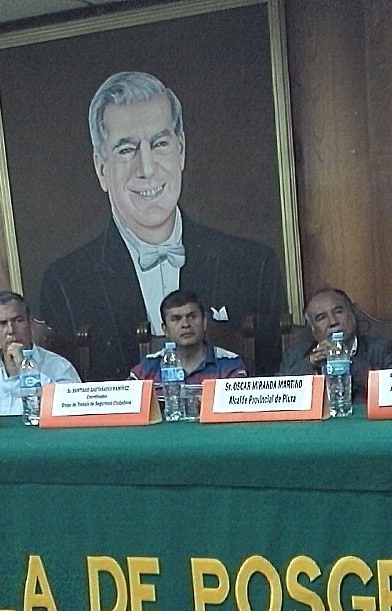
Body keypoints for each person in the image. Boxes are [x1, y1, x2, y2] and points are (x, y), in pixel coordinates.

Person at [40, 71, 285, 381]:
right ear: (101, 169)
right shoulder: (65, 282)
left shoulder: (254, 265)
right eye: (126, 150)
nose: (147, 168)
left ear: (181, 151)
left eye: (159, 144)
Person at [0, 291, 80, 415]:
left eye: (18, 321)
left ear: (30, 325)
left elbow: (74, 408)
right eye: (2, 324)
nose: (11, 330)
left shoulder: (60, 367)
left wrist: (26, 366)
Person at [279, 286, 392, 399]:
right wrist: (310, 363)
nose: (333, 322)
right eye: (322, 318)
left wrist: (345, 360)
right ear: (313, 331)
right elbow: (278, 393)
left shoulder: (382, 349)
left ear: (352, 316)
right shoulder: (294, 355)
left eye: (338, 312)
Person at [131, 290, 247, 384]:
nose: (186, 324)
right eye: (176, 319)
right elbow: (125, 400)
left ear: (204, 322)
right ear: (165, 329)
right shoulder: (148, 367)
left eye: (192, 317)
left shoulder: (230, 365)